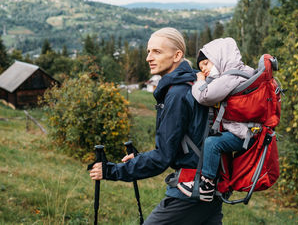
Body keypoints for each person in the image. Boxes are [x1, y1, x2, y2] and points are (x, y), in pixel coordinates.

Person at [89, 27, 223, 224]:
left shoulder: (177, 94)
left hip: (191, 191)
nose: (148, 58)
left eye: (157, 52)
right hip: (212, 187)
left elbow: (162, 157)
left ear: (177, 55)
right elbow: (186, 142)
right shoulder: (194, 83)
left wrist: (111, 171)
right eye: (148, 51)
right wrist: (141, 157)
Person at [177, 38, 255, 202]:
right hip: (247, 131)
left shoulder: (231, 76)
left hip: (242, 134)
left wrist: (199, 82)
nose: (204, 69)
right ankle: (221, 186)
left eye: (206, 63)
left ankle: (206, 186)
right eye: (201, 67)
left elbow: (205, 97)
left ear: (220, 57)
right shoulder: (243, 71)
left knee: (212, 143)